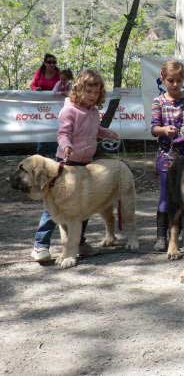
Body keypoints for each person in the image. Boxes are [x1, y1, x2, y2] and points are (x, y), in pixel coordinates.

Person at [31, 69, 120, 262]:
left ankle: (78, 242)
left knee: (83, 205)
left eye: (96, 93)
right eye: (89, 91)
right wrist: (66, 146)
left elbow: (94, 130)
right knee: (54, 205)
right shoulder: (69, 110)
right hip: (66, 164)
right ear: (79, 89)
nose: (92, 96)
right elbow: (63, 133)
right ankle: (41, 245)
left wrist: (106, 133)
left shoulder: (94, 112)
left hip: (85, 165)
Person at [150, 59, 184, 252]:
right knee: (167, 195)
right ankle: (161, 236)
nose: (175, 85)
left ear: (183, 80)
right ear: (163, 79)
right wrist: (164, 130)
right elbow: (154, 128)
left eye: (178, 81)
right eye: (171, 80)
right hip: (167, 155)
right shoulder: (158, 101)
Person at [31, 53, 61, 156]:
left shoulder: (59, 73)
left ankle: (55, 152)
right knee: (42, 125)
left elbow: (64, 86)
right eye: (49, 62)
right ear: (44, 63)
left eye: (54, 62)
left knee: (54, 125)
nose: (52, 64)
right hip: (41, 104)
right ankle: (41, 152)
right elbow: (33, 85)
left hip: (55, 105)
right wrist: (36, 89)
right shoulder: (40, 72)